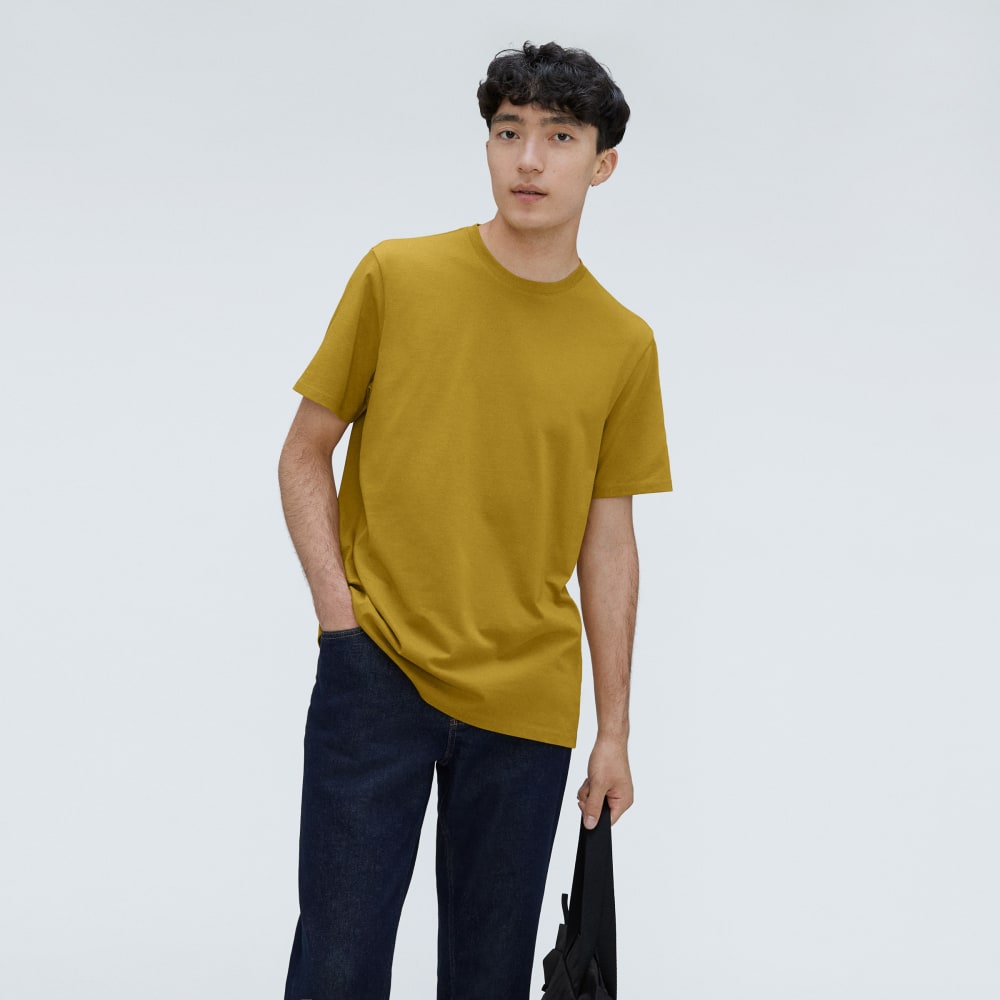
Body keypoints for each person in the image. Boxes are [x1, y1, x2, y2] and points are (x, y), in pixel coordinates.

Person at [277, 40, 672, 1000]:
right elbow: (303, 454)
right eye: (508, 132)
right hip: (378, 674)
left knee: (488, 981)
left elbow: (608, 540)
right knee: (337, 969)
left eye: (560, 137)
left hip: (527, 702)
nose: (528, 159)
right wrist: (340, 622)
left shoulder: (623, 344)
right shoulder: (397, 276)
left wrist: (613, 730)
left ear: (603, 164)